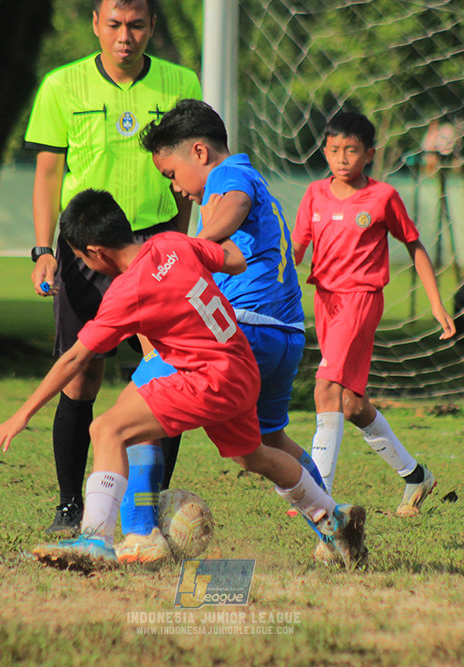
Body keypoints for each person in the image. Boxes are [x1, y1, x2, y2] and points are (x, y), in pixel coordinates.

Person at [0, 189, 367, 572]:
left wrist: (21, 414)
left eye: (80, 256)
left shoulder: (126, 292)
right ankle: (333, 519)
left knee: (107, 428)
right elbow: (235, 260)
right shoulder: (171, 242)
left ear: (96, 253)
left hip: (207, 378)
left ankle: (95, 540)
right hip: (239, 365)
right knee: (253, 456)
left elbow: (74, 357)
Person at [125, 99, 332, 565]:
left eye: (172, 175)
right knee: (269, 442)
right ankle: (332, 526)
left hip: (243, 333)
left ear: (199, 152)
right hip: (285, 335)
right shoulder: (249, 177)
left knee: (135, 418)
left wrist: (196, 243)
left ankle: (139, 533)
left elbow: (235, 203)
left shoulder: (228, 177)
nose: (178, 190)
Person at [22, 0, 202, 533]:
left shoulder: (180, 81)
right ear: (97, 25)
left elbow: (190, 168)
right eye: (116, 25)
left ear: (152, 26)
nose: (126, 36)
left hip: (156, 244)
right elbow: (48, 175)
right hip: (86, 248)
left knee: (164, 375)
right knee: (82, 376)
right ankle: (69, 506)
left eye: (138, 25)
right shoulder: (61, 85)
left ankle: (150, 507)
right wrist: (44, 249)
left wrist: (178, 243)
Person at [293, 110, 456, 522]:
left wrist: (436, 303)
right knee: (349, 404)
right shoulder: (314, 193)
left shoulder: (382, 197)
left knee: (324, 388)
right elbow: (295, 249)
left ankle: (318, 497)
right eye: (333, 150)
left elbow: (415, 245)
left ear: (369, 154)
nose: (341, 158)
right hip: (325, 301)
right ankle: (416, 475)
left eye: (351, 150)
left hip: (361, 299)